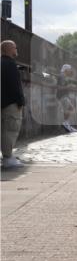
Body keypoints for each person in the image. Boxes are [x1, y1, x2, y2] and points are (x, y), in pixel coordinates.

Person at [1, 40, 25, 169]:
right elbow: (15, 86)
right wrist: (21, 101)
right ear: (10, 49)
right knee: (10, 130)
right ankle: (7, 158)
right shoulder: (10, 64)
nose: (16, 50)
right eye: (15, 47)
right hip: (11, 104)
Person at [57, 64, 77, 132]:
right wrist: (69, 86)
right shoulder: (62, 76)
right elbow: (59, 87)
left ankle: (67, 124)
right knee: (71, 108)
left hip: (63, 96)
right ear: (66, 70)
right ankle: (65, 123)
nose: (70, 71)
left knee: (67, 110)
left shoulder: (63, 76)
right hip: (62, 96)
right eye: (69, 70)